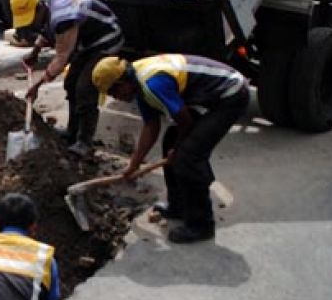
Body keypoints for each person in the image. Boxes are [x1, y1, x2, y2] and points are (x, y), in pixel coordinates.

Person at [91, 54, 248, 243]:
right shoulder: (138, 85)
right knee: (170, 143)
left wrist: (178, 147)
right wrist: (134, 164)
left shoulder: (152, 84)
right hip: (208, 96)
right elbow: (151, 126)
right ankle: (179, 205)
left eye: (114, 93)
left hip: (230, 94)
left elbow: (185, 120)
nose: (117, 98)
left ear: (122, 81)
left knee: (188, 157)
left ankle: (201, 225)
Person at [9, 0, 123, 157]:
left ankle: (85, 142)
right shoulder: (46, 5)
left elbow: (62, 58)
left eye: (31, 18)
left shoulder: (64, 18)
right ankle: (72, 132)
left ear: (39, 7)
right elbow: (47, 29)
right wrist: (35, 52)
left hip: (105, 39)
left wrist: (37, 85)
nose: (31, 24)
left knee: (85, 87)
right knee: (71, 83)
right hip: (86, 42)